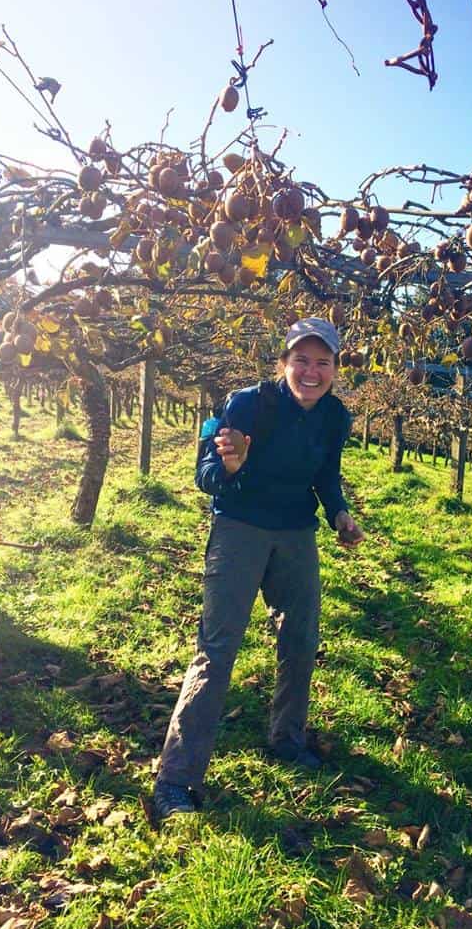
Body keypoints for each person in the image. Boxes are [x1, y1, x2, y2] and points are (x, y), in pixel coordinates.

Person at [154, 317, 364, 819]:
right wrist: (230, 466)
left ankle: (287, 739)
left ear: (335, 368)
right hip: (240, 529)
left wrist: (338, 511)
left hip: (296, 532)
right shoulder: (246, 404)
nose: (311, 371)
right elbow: (206, 476)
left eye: (322, 362)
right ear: (284, 362)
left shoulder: (334, 416)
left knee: (301, 637)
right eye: (301, 360)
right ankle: (175, 780)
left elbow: (326, 475)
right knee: (218, 647)